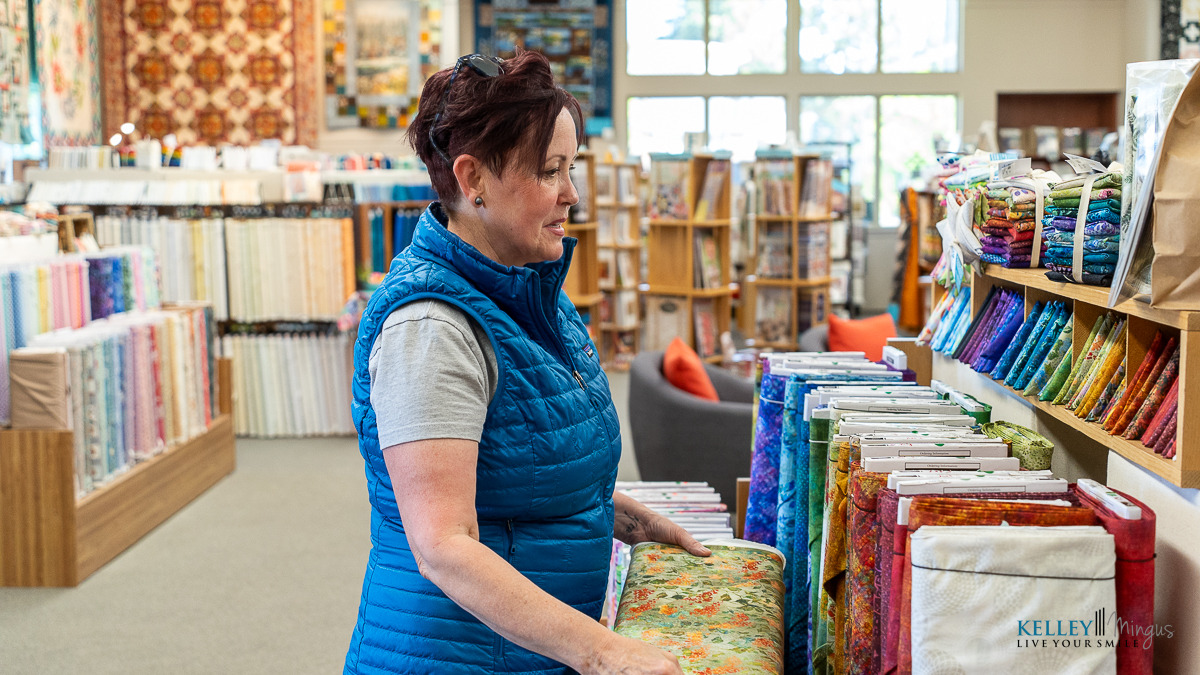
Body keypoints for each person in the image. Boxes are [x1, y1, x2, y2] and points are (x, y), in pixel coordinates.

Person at [344, 50, 711, 675]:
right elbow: (445, 547)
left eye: (572, 169)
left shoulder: (527, 291)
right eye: (549, 172)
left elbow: (519, 471)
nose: (572, 194)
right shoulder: (431, 330)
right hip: (462, 658)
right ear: (473, 179)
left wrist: (624, 516)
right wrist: (606, 655)